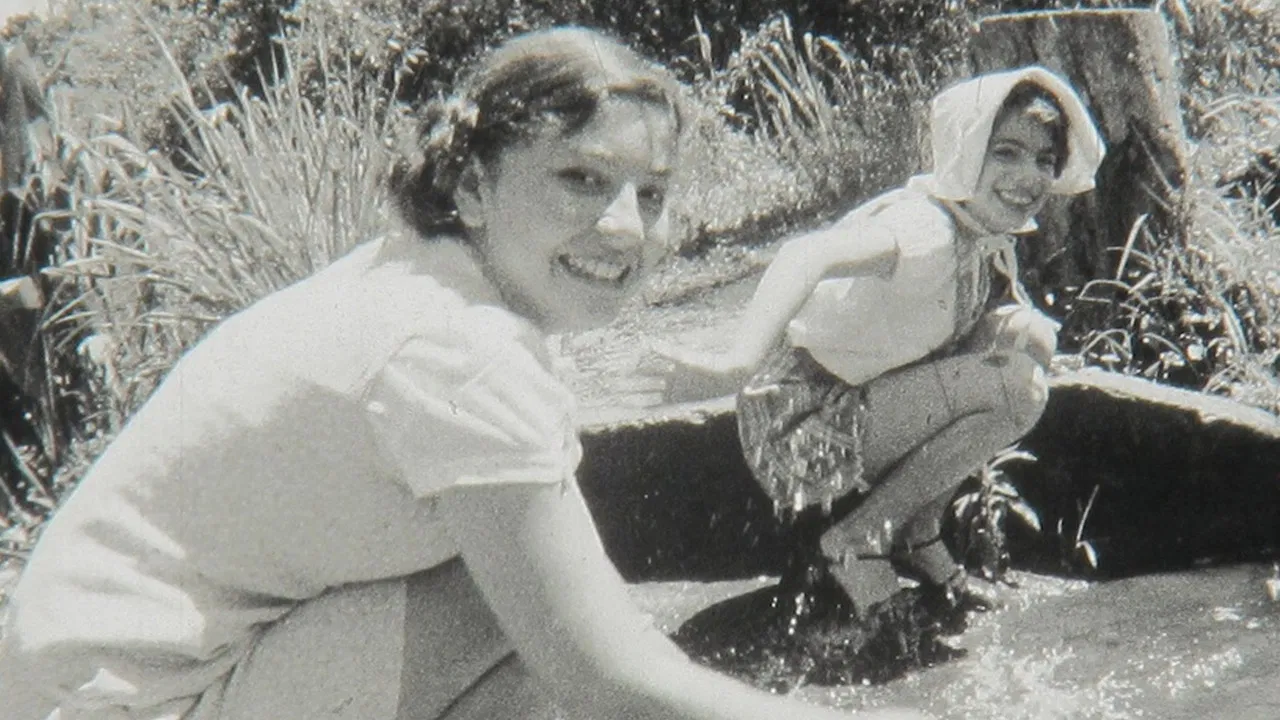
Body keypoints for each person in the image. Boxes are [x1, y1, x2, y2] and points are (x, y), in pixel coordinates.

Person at [0, 27, 929, 720]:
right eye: (579, 179)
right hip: (132, 704)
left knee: (539, 586)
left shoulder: (421, 278)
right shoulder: (459, 349)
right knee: (538, 610)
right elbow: (608, 679)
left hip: (89, 684)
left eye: (650, 195)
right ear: (472, 186)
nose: (623, 227)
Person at [662, 66, 1105, 621]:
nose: (1030, 176)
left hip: (852, 405)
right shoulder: (926, 229)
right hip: (802, 428)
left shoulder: (978, 232)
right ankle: (858, 539)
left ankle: (918, 533)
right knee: (1019, 390)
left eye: (1044, 159)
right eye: (1006, 153)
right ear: (964, 151)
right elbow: (805, 253)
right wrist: (737, 362)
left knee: (1027, 336)